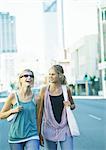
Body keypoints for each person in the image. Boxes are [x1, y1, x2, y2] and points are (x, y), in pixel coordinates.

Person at [37, 65, 75, 150]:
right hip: (49, 128)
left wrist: (69, 105)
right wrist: (38, 132)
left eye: (53, 74)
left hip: (65, 128)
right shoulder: (44, 90)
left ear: (60, 75)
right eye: (49, 74)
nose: (50, 76)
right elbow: (40, 112)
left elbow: (73, 105)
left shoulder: (66, 89)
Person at [0, 69, 40, 150]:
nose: (29, 77)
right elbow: (1, 115)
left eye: (31, 76)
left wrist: (40, 134)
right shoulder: (13, 96)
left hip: (32, 135)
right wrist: (13, 110)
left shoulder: (36, 98)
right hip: (15, 137)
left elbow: (39, 117)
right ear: (20, 79)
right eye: (25, 76)